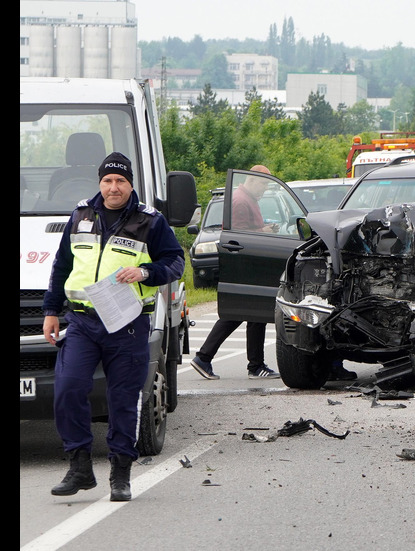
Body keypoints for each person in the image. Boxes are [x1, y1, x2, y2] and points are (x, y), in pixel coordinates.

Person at [42, 152, 185, 501]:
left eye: (120, 181)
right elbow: (62, 266)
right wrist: (50, 310)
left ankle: (121, 473)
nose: (113, 187)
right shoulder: (80, 216)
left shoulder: (150, 221)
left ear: (131, 184)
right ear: (100, 183)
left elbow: (175, 261)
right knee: (68, 389)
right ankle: (79, 467)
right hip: (82, 321)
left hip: (128, 325)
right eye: (107, 180)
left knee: (122, 400)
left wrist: (146, 273)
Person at [190, 165, 281, 380]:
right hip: (244, 265)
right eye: (263, 184)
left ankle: (252, 365)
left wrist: (262, 229)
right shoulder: (241, 200)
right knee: (243, 313)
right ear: (251, 180)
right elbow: (238, 235)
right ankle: (207, 357)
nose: (265, 189)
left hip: (246, 264)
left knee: (251, 314)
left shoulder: (246, 198)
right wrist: (264, 231)